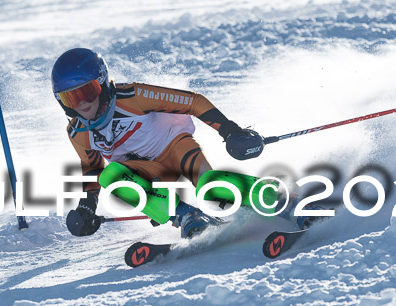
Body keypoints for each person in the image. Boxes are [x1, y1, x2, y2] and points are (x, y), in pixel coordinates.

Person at [52, 48, 293, 239]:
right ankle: (187, 216)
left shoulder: (134, 97)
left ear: (102, 82)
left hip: (175, 148)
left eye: (87, 92)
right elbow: (93, 169)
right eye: (71, 97)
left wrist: (230, 131)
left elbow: (193, 102)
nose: (82, 104)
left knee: (211, 187)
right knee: (110, 176)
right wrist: (87, 206)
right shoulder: (78, 133)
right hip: (148, 173)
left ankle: (279, 200)